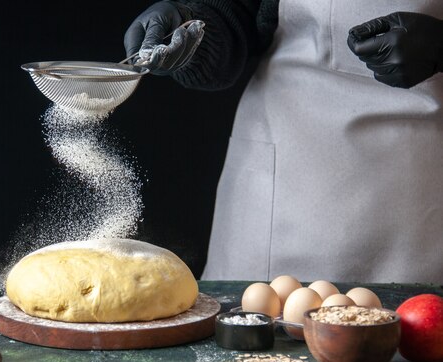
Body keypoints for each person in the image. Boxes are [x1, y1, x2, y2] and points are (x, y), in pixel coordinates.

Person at [124, 1, 443, 284]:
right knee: (252, 338)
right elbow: (235, 12)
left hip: (418, 184)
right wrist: (188, 25)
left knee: (408, 339)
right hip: (285, 166)